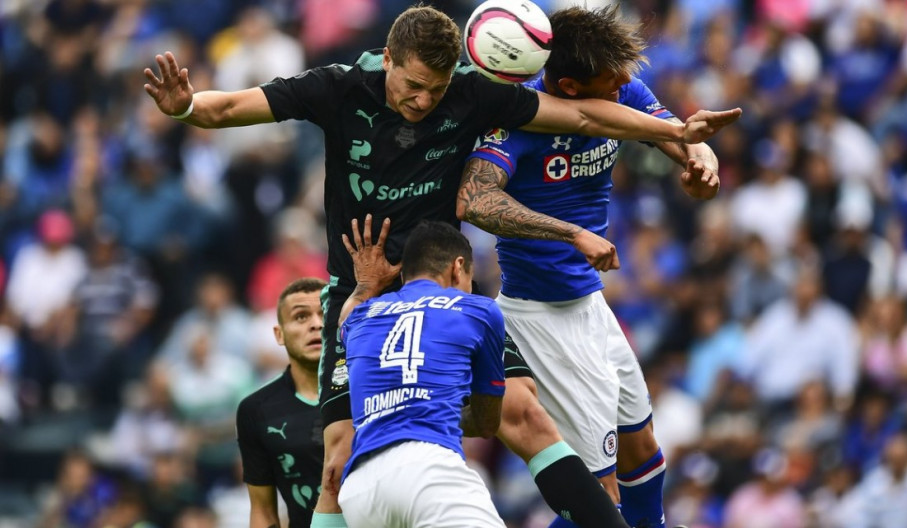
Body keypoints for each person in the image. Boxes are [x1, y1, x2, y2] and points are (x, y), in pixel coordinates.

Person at [144, 6, 741, 525]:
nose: (424, 101)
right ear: (388, 59)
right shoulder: (339, 87)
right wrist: (186, 106)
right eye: (413, 85)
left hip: (442, 288)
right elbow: (230, 108)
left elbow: (583, 116)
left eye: (436, 88)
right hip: (360, 293)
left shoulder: (470, 95)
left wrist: (675, 131)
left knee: (527, 415)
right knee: (338, 461)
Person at [456, 6, 732, 527]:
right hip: (542, 316)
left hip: (588, 304)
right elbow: (474, 199)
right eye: (612, 82)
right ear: (570, 86)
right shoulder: (519, 116)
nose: (625, 86)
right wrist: (570, 232)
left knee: (642, 449)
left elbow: (683, 137)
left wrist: (703, 168)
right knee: (597, 497)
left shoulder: (621, 91)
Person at [335, 216, 505, 527]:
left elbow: (344, 320)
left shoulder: (361, 317)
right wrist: (426, 405)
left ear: (404, 276)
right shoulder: (480, 310)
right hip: (428, 471)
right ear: (458, 267)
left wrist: (366, 285)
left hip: (360, 491)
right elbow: (487, 422)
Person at [235, 277, 327, 528]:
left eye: (325, 314)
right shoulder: (256, 410)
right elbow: (263, 510)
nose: (316, 324)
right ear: (279, 334)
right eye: (301, 316)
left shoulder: (367, 392)